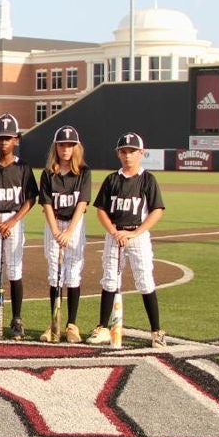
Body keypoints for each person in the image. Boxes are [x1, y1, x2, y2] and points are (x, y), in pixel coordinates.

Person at [86, 132, 167, 347]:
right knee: (110, 280)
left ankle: (156, 331)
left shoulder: (147, 179)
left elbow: (157, 211)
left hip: (137, 236)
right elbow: (101, 210)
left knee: (145, 280)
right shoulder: (112, 179)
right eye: (124, 151)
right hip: (114, 235)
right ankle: (103, 327)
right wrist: (113, 232)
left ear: (141, 153)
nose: (128, 155)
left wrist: (134, 233)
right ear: (118, 154)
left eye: (132, 151)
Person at [0, 113, 39, 340]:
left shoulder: (23, 168)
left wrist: (12, 221)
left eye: (8, 137)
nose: (4, 142)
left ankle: (16, 319)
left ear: (16, 140)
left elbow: (31, 198)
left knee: (14, 270)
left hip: (14, 220)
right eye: (0, 137)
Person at [37, 125, 91, 343]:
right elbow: (47, 205)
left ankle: (72, 325)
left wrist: (69, 231)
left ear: (76, 147)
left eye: (70, 145)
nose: (66, 149)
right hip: (54, 225)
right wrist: (56, 230)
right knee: (54, 274)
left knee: (73, 273)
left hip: (74, 226)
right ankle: (54, 322)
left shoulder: (84, 173)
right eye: (62, 145)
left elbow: (83, 203)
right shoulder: (48, 173)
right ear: (56, 147)